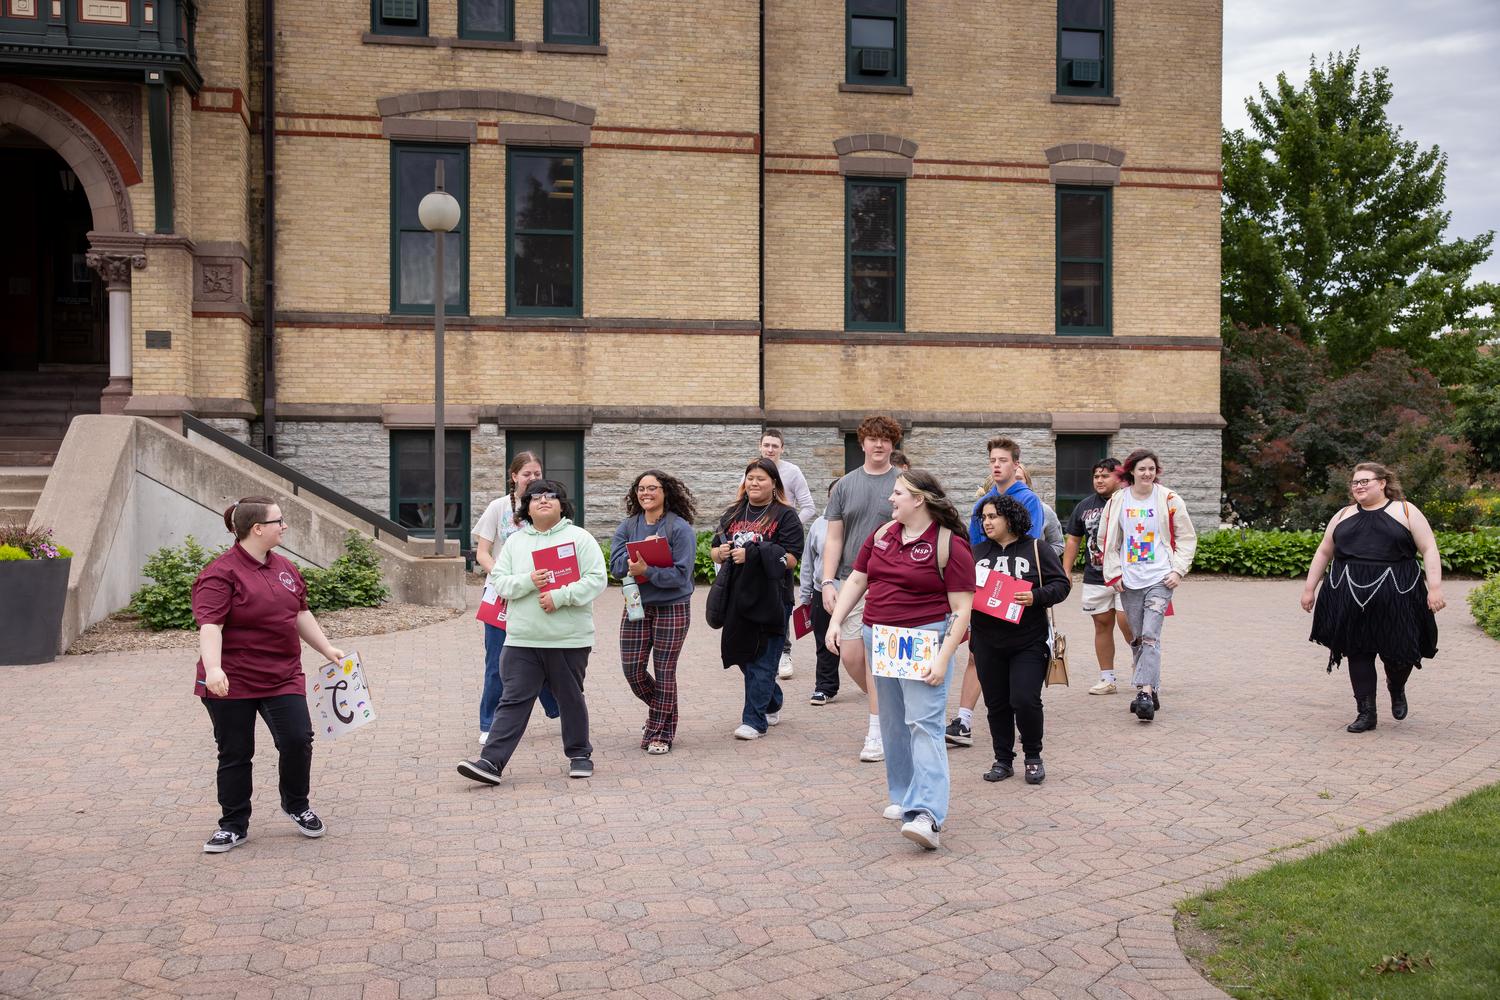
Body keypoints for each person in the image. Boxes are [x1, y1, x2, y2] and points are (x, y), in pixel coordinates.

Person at [825, 469, 974, 850]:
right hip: (882, 638)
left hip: (925, 639)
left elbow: (961, 608)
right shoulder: (882, 535)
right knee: (893, 722)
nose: (890, 499)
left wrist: (943, 657)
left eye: (898, 493)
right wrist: (837, 621)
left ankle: (928, 814)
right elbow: (858, 579)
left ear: (919, 499)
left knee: (923, 723)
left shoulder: (949, 544)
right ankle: (905, 796)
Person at [194, 496, 345, 853]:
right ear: (257, 529)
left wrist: (326, 648)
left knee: (297, 739)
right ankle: (233, 824)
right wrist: (214, 669)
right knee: (235, 751)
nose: (285, 526)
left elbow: (299, 613)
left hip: (282, 675)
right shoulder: (220, 573)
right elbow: (210, 626)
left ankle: (297, 805)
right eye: (279, 521)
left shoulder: (285, 567)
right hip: (232, 680)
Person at [457, 480, 607, 784]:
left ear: (562, 505)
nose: (543, 500)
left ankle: (580, 755)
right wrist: (530, 580)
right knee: (512, 699)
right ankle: (490, 763)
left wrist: (560, 596)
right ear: (526, 507)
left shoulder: (580, 539)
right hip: (522, 638)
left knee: (569, 697)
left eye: (551, 496)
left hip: (568, 639)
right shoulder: (515, 543)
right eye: (536, 496)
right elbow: (500, 583)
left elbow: (596, 580)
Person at [1302, 462, 1444, 732]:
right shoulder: (1343, 515)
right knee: (1358, 651)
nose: (1359, 486)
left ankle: (1396, 685)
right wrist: (1310, 588)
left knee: (1400, 651)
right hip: (1349, 592)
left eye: (1365, 481)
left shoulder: (1405, 510)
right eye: (1355, 482)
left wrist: (1435, 587)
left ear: (1383, 483)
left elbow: (1428, 548)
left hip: (1398, 593)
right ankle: (1366, 713)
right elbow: (1324, 551)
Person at [947, 437, 1046, 747]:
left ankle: (1023, 713)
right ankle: (963, 719)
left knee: (1021, 659)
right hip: (986, 589)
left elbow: (1031, 546)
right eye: (993, 460)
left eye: (1003, 460)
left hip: (1017, 591)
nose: (997, 465)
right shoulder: (981, 504)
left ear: (1016, 465)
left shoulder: (1028, 499)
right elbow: (975, 550)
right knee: (978, 654)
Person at [819, 414, 905, 762]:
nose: (879, 444)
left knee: (878, 659)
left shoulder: (905, 483)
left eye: (886, 439)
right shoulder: (844, 486)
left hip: (892, 581)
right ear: (863, 443)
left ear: (893, 444)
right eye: (873, 438)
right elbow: (834, 538)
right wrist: (827, 581)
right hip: (851, 578)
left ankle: (877, 731)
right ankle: (891, 709)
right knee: (852, 656)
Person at [970, 495, 1070, 785]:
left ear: (1010, 518)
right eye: (984, 518)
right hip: (988, 642)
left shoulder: (1037, 549)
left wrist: (1035, 596)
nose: (987, 523)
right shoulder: (976, 552)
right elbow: (961, 592)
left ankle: (1033, 756)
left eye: (992, 517)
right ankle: (1002, 759)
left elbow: (1061, 585)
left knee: (1025, 700)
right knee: (997, 704)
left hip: (1029, 641)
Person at [1100, 450, 1198, 722]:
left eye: (1152, 469)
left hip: (1160, 578)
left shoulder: (1168, 499)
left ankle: (1143, 693)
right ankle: (1151, 686)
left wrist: (1178, 570)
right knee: (1137, 638)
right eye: (1142, 469)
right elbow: (1105, 539)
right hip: (1130, 580)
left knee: (1151, 635)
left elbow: (1187, 537)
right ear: (1131, 471)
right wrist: (1115, 572)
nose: (1147, 474)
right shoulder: (1118, 500)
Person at [712, 458, 804, 740]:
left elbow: (790, 559)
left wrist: (754, 552)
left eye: (761, 478)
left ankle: (754, 721)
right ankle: (772, 699)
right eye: (750, 477)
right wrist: (723, 553)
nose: (754, 483)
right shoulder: (732, 513)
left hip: (773, 597)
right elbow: (714, 550)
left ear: (774, 483)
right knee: (744, 656)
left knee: (764, 659)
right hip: (738, 596)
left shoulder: (785, 516)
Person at [609, 470, 698, 754]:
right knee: (632, 670)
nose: (646, 493)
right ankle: (666, 713)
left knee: (664, 670)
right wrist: (635, 561)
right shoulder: (628, 526)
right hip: (636, 604)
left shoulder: (679, 528)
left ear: (665, 492)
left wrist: (647, 570)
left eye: (652, 488)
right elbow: (616, 567)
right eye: (641, 488)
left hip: (672, 607)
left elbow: (682, 576)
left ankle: (660, 732)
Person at [472, 451, 559, 744]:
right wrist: (504, 579)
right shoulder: (498, 508)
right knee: (498, 660)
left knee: (544, 654)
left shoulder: (546, 507)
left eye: (537, 474)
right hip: (502, 594)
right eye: (527, 474)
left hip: (539, 591)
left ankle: (556, 706)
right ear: (514, 477)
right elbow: (482, 553)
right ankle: (489, 723)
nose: (533, 479)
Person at [1063, 458, 1135, 695]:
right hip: (1096, 576)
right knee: (1102, 625)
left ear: (1119, 477)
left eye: (1105, 475)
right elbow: (1073, 539)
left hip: (1127, 576)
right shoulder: (1084, 506)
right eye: (1096, 476)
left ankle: (1144, 664)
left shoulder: (1131, 502)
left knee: (1128, 623)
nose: (1100, 480)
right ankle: (1107, 678)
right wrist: (1066, 570)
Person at [759, 429, 814, 681]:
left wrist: (787, 527)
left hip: (782, 547)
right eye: (766, 445)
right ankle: (759, 650)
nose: (770, 449)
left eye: (775, 446)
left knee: (781, 599)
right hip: (756, 546)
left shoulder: (792, 472)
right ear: (760, 447)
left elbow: (809, 506)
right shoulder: (752, 470)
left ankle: (784, 652)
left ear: (782, 448)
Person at [798, 479, 841, 705]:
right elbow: (808, 562)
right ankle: (825, 687)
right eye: (835, 494)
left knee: (859, 643)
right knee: (824, 641)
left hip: (854, 594)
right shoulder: (819, 525)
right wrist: (805, 596)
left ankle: (871, 683)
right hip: (821, 591)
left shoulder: (859, 522)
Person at [1018, 463, 1065, 557]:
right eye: (1010, 479)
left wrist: (1039, 558)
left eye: (1019, 479)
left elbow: (1058, 545)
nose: (1014, 483)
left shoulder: (1044, 510)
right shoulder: (993, 512)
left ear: (1027, 483)